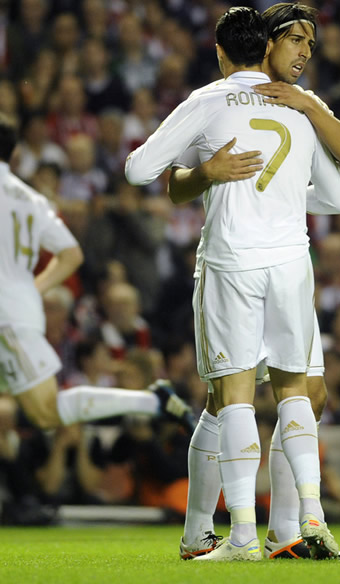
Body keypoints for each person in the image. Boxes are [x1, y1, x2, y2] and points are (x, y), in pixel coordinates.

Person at [125, 7, 340, 561]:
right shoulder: (299, 106)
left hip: (232, 261)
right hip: (291, 261)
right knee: (295, 390)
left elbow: (138, 171)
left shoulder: (209, 100)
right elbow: (338, 197)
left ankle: (248, 534)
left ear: (221, 52)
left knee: (232, 396)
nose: (303, 52)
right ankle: (298, 521)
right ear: (268, 46)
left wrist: (209, 174)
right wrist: (272, 193)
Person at [0, 114, 194, 438]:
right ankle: (153, 402)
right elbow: (71, 254)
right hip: (19, 311)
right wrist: (34, 289)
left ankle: (153, 403)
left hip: (7, 318)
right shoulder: (31, 198)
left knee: (45, 411)